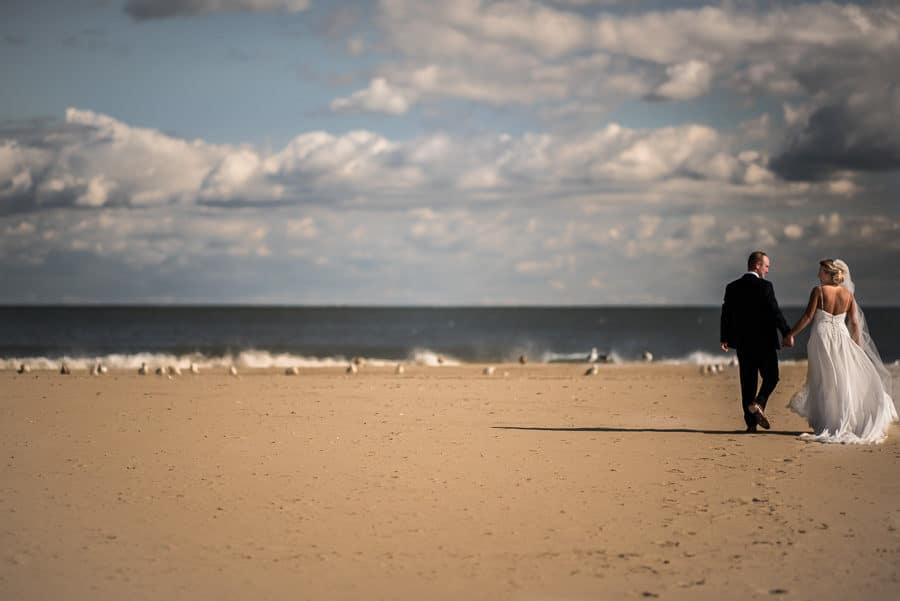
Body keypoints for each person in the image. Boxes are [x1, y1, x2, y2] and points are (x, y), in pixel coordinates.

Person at [785, 259, 898, 443]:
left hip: (822, 337)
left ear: (829, 274)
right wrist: (857, 346)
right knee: (842, 377)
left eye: (821, 271)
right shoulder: (848, 295)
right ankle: (840, 419)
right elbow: (854, 322)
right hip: (842, 336)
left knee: (825, 379)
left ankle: (828, 422)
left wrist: (791, 334)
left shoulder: (819, 291)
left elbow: (807, 316)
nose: (817, 275)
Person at [720, 251, 792, 432]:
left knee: (748, 382)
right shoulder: (765, 286)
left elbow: (726, 314)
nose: (767, 270)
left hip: (743, 343)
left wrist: (724, 337)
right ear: (757, 265)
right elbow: (775, 312)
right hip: (764, 342)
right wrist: (786, 332)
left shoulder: (732, 287)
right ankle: (759, 402)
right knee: (772, 377)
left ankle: (751, 425)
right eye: (766, 266)